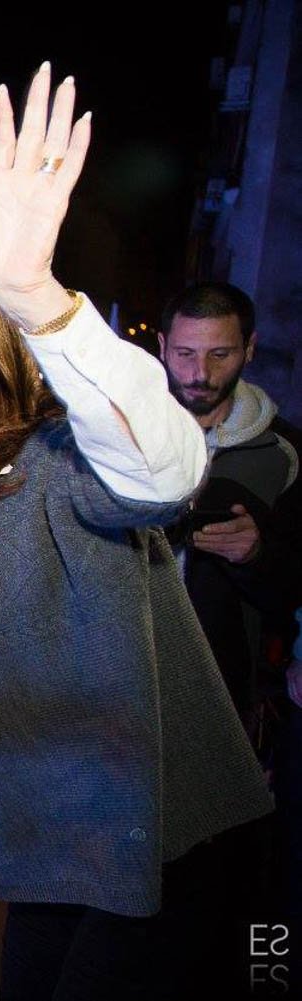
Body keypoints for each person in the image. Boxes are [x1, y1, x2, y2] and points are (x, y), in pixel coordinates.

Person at [0, 66, 272, 999]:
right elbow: (29, 629)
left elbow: (165, 470)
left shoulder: (49, 459)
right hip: (56, 856)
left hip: (162, 846)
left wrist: (35, 297)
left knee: (257, 975)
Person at [157, 282, 302, 738]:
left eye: (220, 355)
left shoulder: (285, 454)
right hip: (117, 686)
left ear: (250, 348)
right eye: (184, 353)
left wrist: (256, 555)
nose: (200, 373)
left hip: (219, 698)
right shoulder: (118, 438)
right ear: (161, 347)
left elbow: (294, 589)